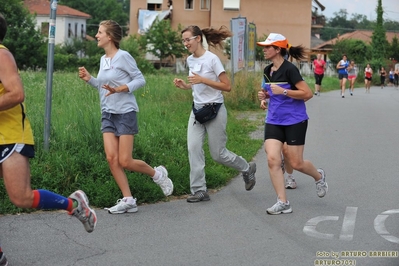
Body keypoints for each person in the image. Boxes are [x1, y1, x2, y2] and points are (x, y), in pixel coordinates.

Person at [0, 13, 97, 265]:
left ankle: (74, 205)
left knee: (21, 197)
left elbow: (17, 93)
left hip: (10, 136)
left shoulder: (1, 55)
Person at [78, 20, 173, 214]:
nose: (96, 35)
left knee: (125, 161)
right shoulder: (103, 59)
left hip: (125, 113)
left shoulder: (124, 57)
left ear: (110, 37)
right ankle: (129, 200)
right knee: (112, 159)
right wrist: (90, 80)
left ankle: (158, 174)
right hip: (107, 113)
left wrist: (123, 88)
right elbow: (103, 87)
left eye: (100, 32)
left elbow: (140, 79)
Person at [173, 25, 256, 202]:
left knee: (218, 154)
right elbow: (197, 85)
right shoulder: (190, 60)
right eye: (183, 40)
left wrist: (203, 79)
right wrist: (186, 86)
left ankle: (246, 168)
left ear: (197, 38)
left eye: (187, 39)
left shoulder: (212, 59)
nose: (185, 43)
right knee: (193, 148)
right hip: (197, 111)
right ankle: (199, 190)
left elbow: (227, 86)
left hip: (215, 110)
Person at [256, 33, 328, 215]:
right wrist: (265, 97)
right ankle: (283, 201)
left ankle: (318, 176)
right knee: (273, 159)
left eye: (267, 47)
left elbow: (307, 93)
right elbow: (270, 91)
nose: (264, 50)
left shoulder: (290, 70)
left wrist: (284, 92)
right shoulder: (267, 70)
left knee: (296, 163)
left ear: (277, 49)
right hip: (273, 120)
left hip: (295, 120)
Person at [259, 95, 297, 189]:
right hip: (272, 119)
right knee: (271, 152)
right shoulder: (267, 79)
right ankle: (280, 163)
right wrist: (263, 100)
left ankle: (290, 177)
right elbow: (264, 92)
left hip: (290, 119)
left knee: (286, 150)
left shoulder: (294, 79)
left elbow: (304, 93)